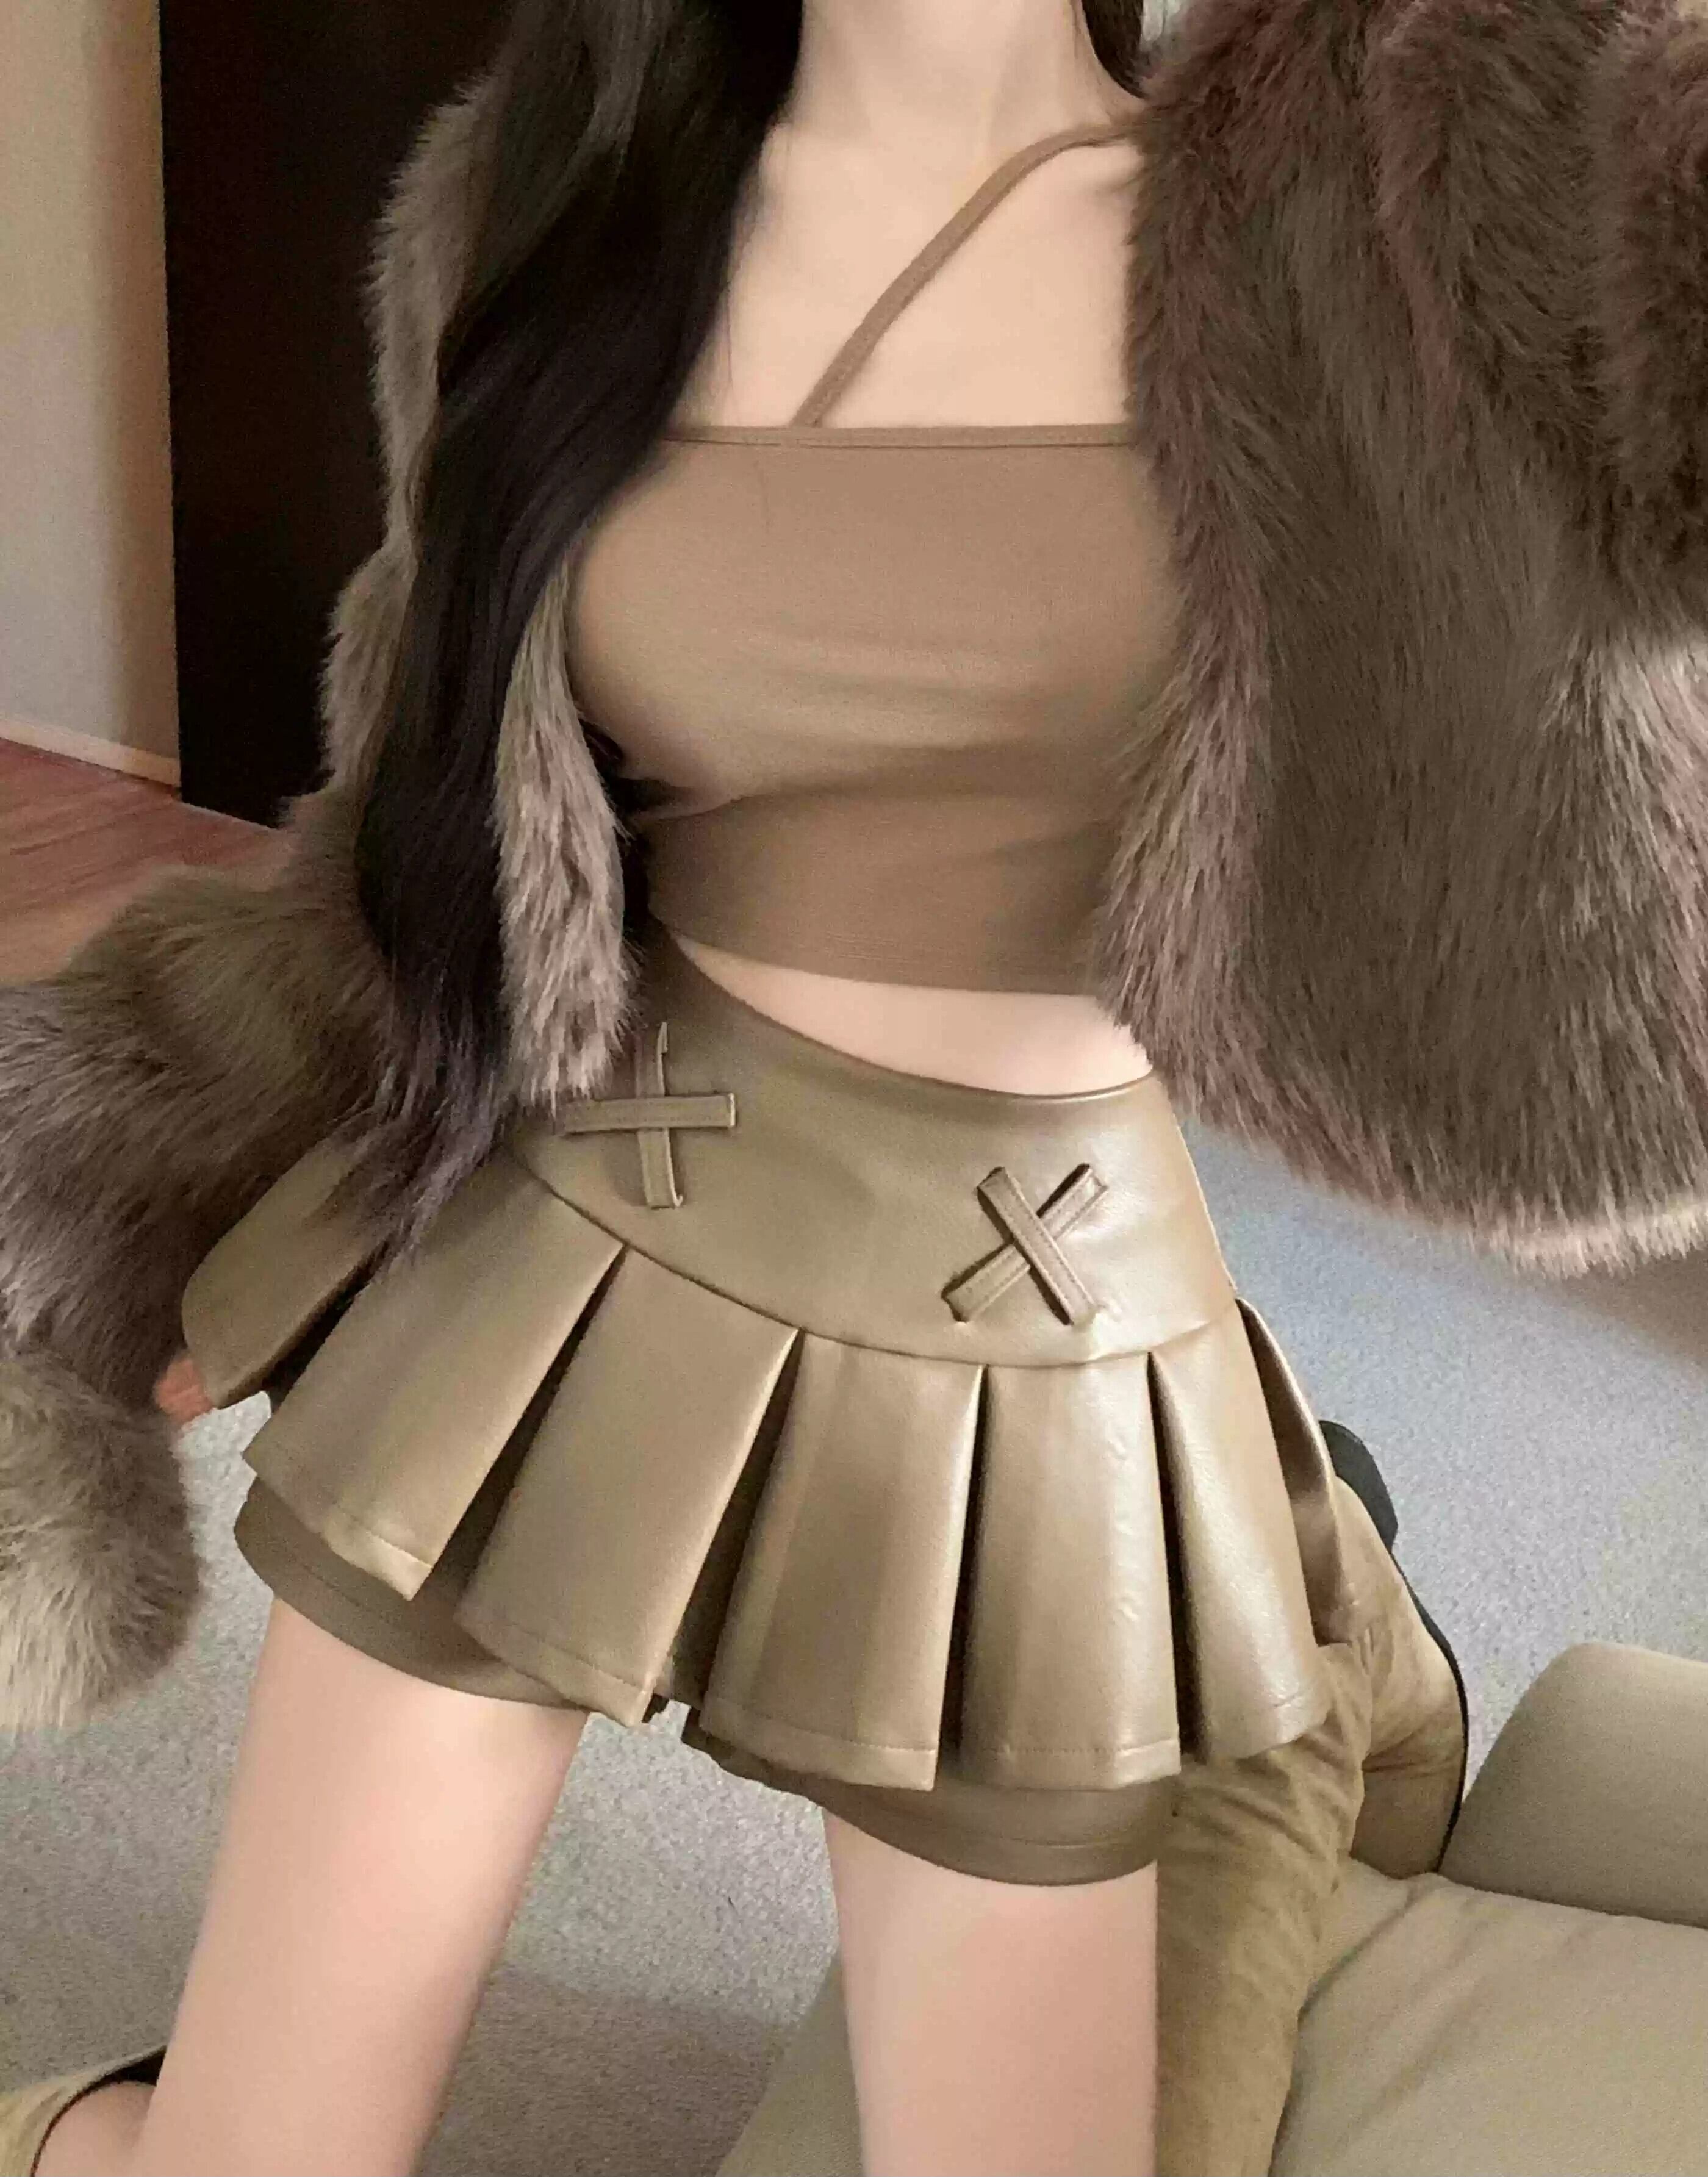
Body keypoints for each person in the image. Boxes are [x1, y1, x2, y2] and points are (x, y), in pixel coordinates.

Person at [4, 0, 1706, 2171]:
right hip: (569, 1257)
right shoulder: (546, 193)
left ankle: (1330, 1592)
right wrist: (120, 1187)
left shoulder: (1381, 193)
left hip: (1043, 1334)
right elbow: (430, 855)